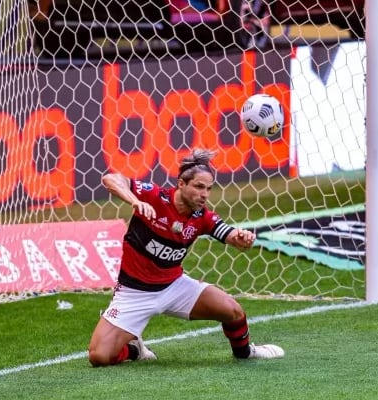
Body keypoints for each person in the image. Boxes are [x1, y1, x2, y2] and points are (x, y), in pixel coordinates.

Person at [87, 148, 285, 366]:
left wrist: (241, 238)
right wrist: (134, 200)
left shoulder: (202, 217)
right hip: (134, 293)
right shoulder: (155, 197)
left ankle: (246, 353)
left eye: (209, 189)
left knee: (233, 311)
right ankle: (134, 349)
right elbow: (110, 179)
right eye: (199, 187)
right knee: (99, 356)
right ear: (181, 184)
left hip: (174, 287)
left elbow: (229, 235)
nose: (204, 194)